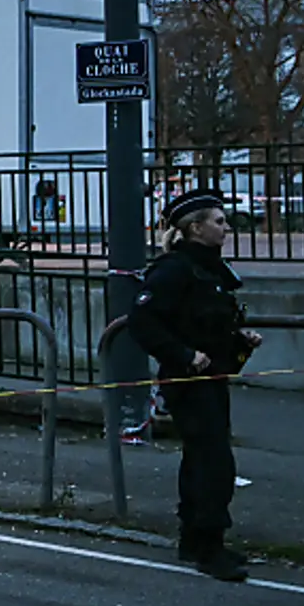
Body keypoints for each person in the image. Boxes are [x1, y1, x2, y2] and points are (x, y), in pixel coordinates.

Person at [126, 189, 263, 581]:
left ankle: (196, 539)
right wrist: (184, 355)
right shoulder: (175, 269)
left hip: (212, 375)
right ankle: (208, 545)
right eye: (218, 221)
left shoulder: (209, 269)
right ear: (195, 228)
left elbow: (209, 321)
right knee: (213, 461)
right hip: (190, 380)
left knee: (204, 457)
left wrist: (240, 339)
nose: (226, 228)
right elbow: (144, 321)